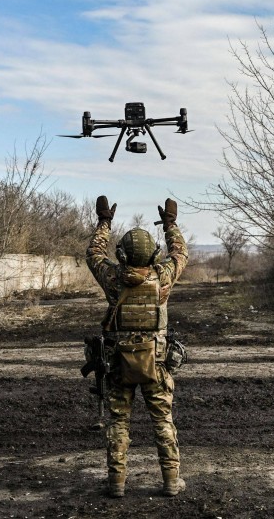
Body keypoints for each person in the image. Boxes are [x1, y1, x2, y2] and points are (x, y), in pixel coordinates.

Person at [87, 195, 189, 499]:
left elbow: (93, 253)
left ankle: (116, 483)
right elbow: (180, 252)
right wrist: (170, 224)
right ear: (153, 254)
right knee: (163, 422)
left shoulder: (114, 279)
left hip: (120, 365)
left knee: (118, 424)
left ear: (122, 254)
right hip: (156, 365)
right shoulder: (163, 277)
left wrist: (104, 223)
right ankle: (171, 481)